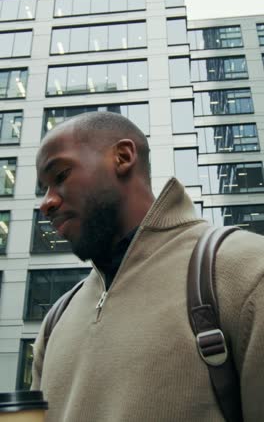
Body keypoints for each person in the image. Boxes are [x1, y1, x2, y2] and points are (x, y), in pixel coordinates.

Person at [32, 111, 264, 422]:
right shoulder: (54, 322)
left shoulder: (246, 270)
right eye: (43, 189)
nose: (45, 203)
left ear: (123, 156)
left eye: (60, 176)